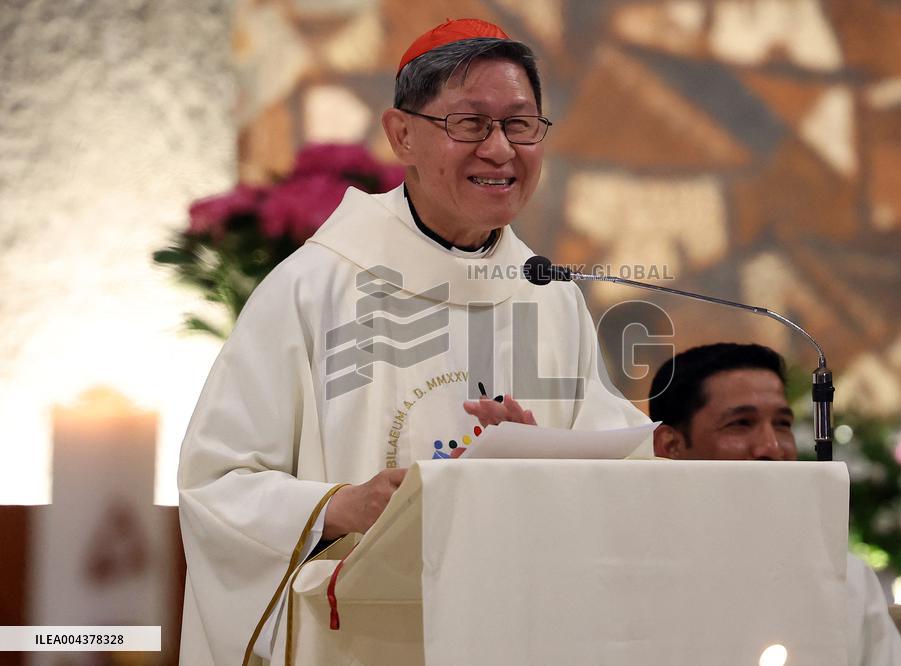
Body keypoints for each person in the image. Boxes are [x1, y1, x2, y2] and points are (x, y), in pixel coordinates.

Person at [177, 18, 649, 665]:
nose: (501, 150)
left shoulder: (547, 296)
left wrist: (544, 456)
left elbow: (616, 462)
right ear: (402, 134)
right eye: (470, 124)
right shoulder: (315, 287)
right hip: (360, 638)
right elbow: (216, 483)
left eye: (520, 124)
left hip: (513, 630)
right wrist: (340, 505)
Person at [648, 343, 901, 666]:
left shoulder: (843, 576)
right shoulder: (639, 573)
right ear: (671, 445)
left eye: (782, 424)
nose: (772, 447)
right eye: (741, 423)